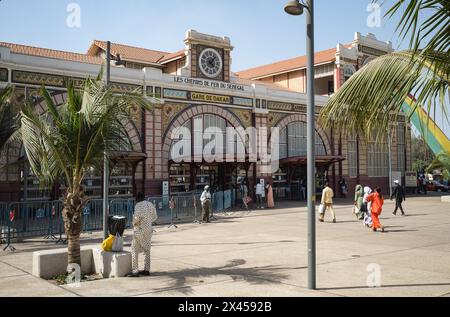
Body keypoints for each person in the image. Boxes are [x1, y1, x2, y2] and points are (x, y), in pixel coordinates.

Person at [127, 193, 158, 278]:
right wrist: (147, 221)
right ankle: (146, 269)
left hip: (139, 230)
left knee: (134, 249)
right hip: (149, 230)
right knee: (147, 250)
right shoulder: (150, 204)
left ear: (137, 199)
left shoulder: (138, 205)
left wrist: (133, 223)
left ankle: (135, 271)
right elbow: (155, 217)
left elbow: (136, 218)